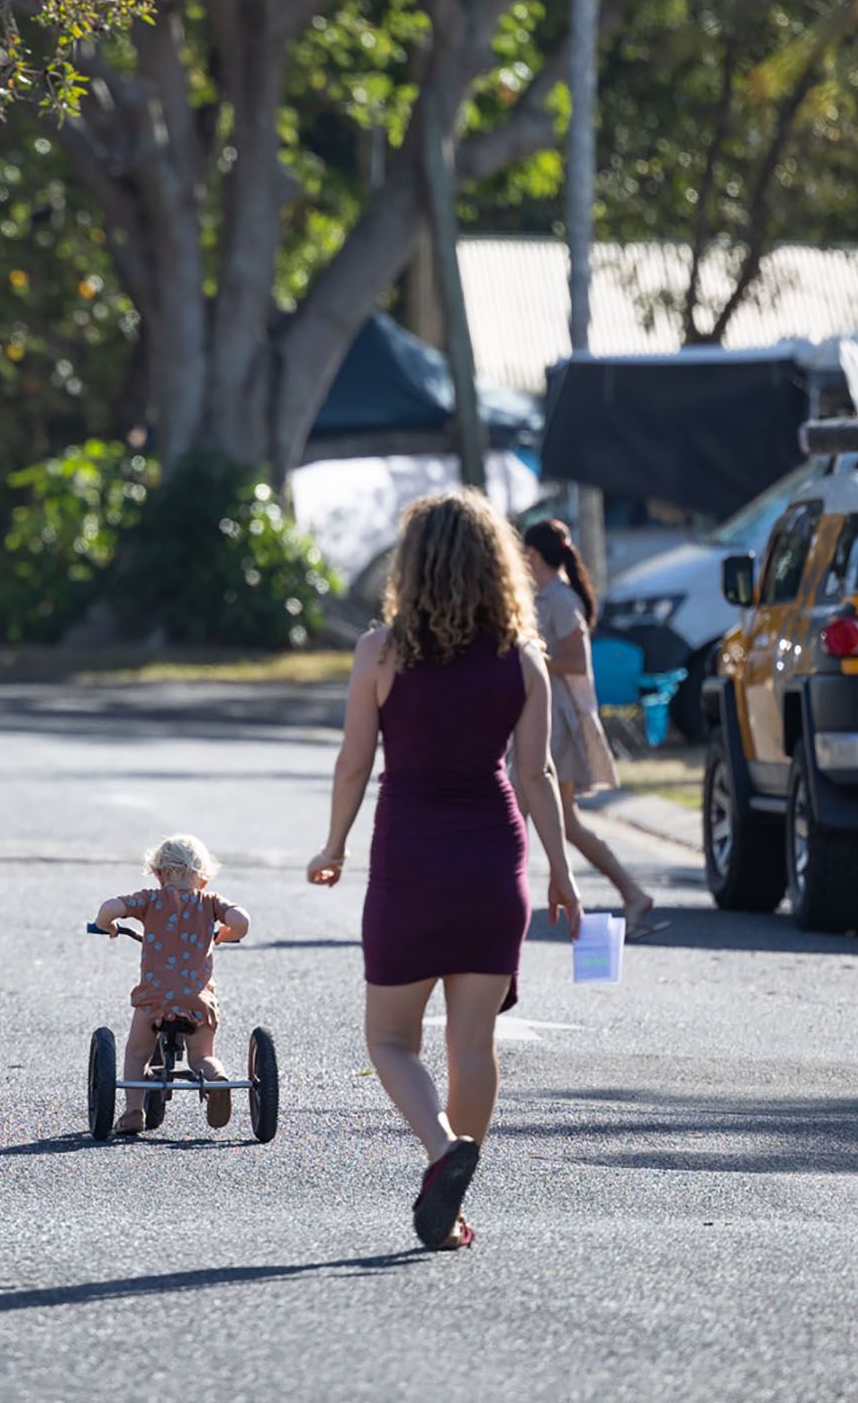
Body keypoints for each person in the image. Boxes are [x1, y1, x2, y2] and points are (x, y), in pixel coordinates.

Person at [308, 490, 582, 1251]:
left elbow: (354, 763)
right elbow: (537, 776)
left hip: (410, 862)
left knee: (391, 1040)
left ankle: (442, 1153)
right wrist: (562, 872)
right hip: (496, 862)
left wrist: (333, 846)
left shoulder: (380, 652)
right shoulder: (522, 661)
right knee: (473, 1043)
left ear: (413, 566)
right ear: (497, 566)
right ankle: (456, 1192)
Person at [521, 518, 657, 938]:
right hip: (544, 717)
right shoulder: (544, 596)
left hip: (557, 719)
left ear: (533, 555)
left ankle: (493, 906)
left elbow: (578, 662)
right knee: (562, 820)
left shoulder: (561, 600)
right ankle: (632, 893)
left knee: (524, 810)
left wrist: (530, 663)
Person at [95, 835, 251, 1135]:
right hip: (197, 1000)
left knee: (137, 1053)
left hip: (155, 999)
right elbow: (241, 919)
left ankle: (134, 1112)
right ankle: (217, 1078)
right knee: (202, 1056)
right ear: (202, 879)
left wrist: (109, 926)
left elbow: (109, 907)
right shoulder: (210, 902)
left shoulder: (150, 900)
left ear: (159, 874)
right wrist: (227, 934)